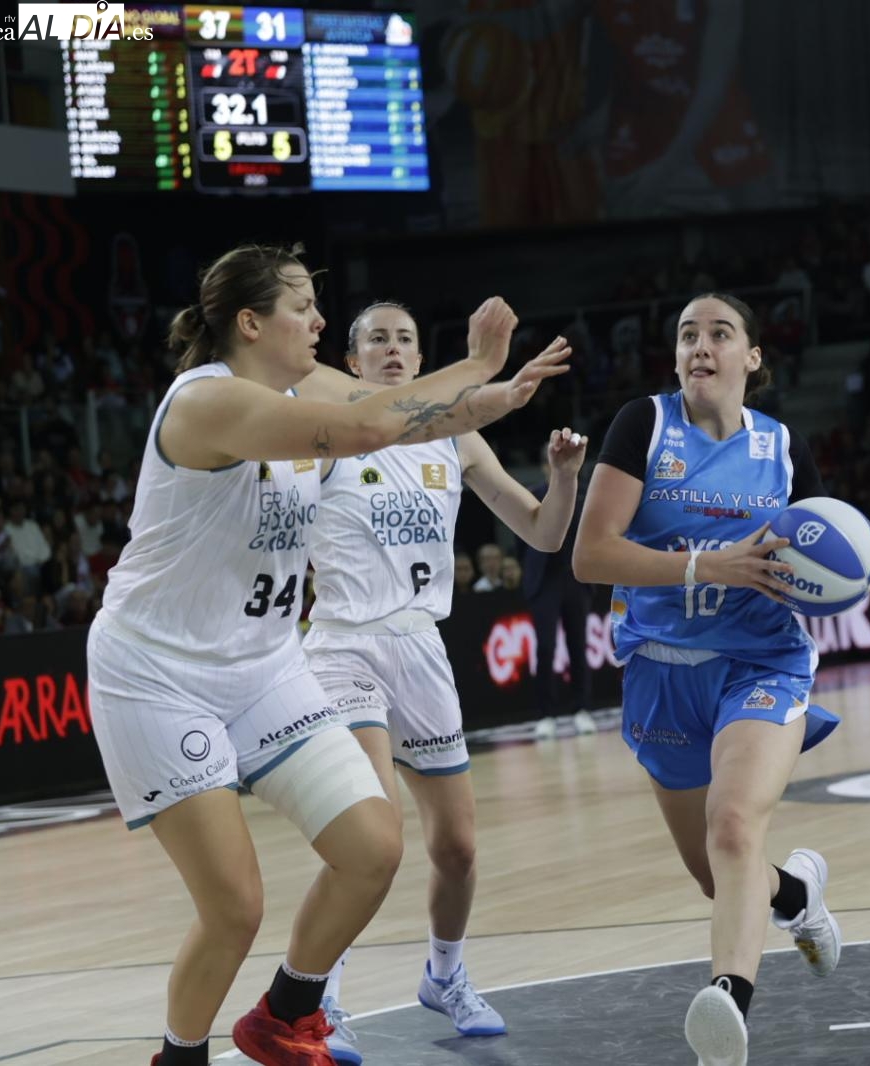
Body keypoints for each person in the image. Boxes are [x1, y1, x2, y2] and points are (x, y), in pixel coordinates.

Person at [86, 243, 569, 1066]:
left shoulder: (300, 383)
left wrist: (489, 394)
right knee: (235, 908)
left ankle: (287, 1014)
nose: (318, 321)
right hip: (159, 677)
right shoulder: (210, 403)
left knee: (373, 848)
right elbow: (369, 424)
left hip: (264, 666)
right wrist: (477, 364)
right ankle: (180, 1057)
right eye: (303, 307)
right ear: (250, 322)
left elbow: (406, 412)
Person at [295, 301, 587, 1063]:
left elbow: (544, 532)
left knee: (456, 847)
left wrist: (562, 480)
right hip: (342, 649)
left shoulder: (456, 436)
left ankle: (445, 975)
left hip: (420, 649)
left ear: (424, 360)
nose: (392, 350)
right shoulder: (330, 432)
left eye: (405, 339)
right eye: (376, 341)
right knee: (372, 831)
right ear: (351, 363)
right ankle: (320, 996)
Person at [572, 293, 842, 1066]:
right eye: (689, 334)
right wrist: (706, 564)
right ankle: (797, 896)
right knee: (719, 876)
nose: (701, 346)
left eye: (720, 334)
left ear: (752, 358)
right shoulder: (645, 425)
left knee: (732, 827)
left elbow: (820, 547)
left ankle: (726, 1011)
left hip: (762, 663)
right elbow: (591, 556)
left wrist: (858, 556)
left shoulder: (782, 447)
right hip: (662, 674)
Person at [523, 441, 593, 724]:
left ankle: (582, 709)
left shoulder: (583, 497)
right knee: (545, 647)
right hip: (545, 583)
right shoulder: (531, 498)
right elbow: (522, 545)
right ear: (544, 466)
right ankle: (546, 714)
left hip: (575, 580)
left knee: (578, 644)